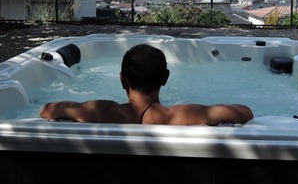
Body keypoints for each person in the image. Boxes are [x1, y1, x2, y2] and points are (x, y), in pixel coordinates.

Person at [40, 43, 254, 126]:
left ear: (122, 79)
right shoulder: (179, 115)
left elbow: (47, 110)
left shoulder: (103, 111)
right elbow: (244, 113)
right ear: (165, 78)